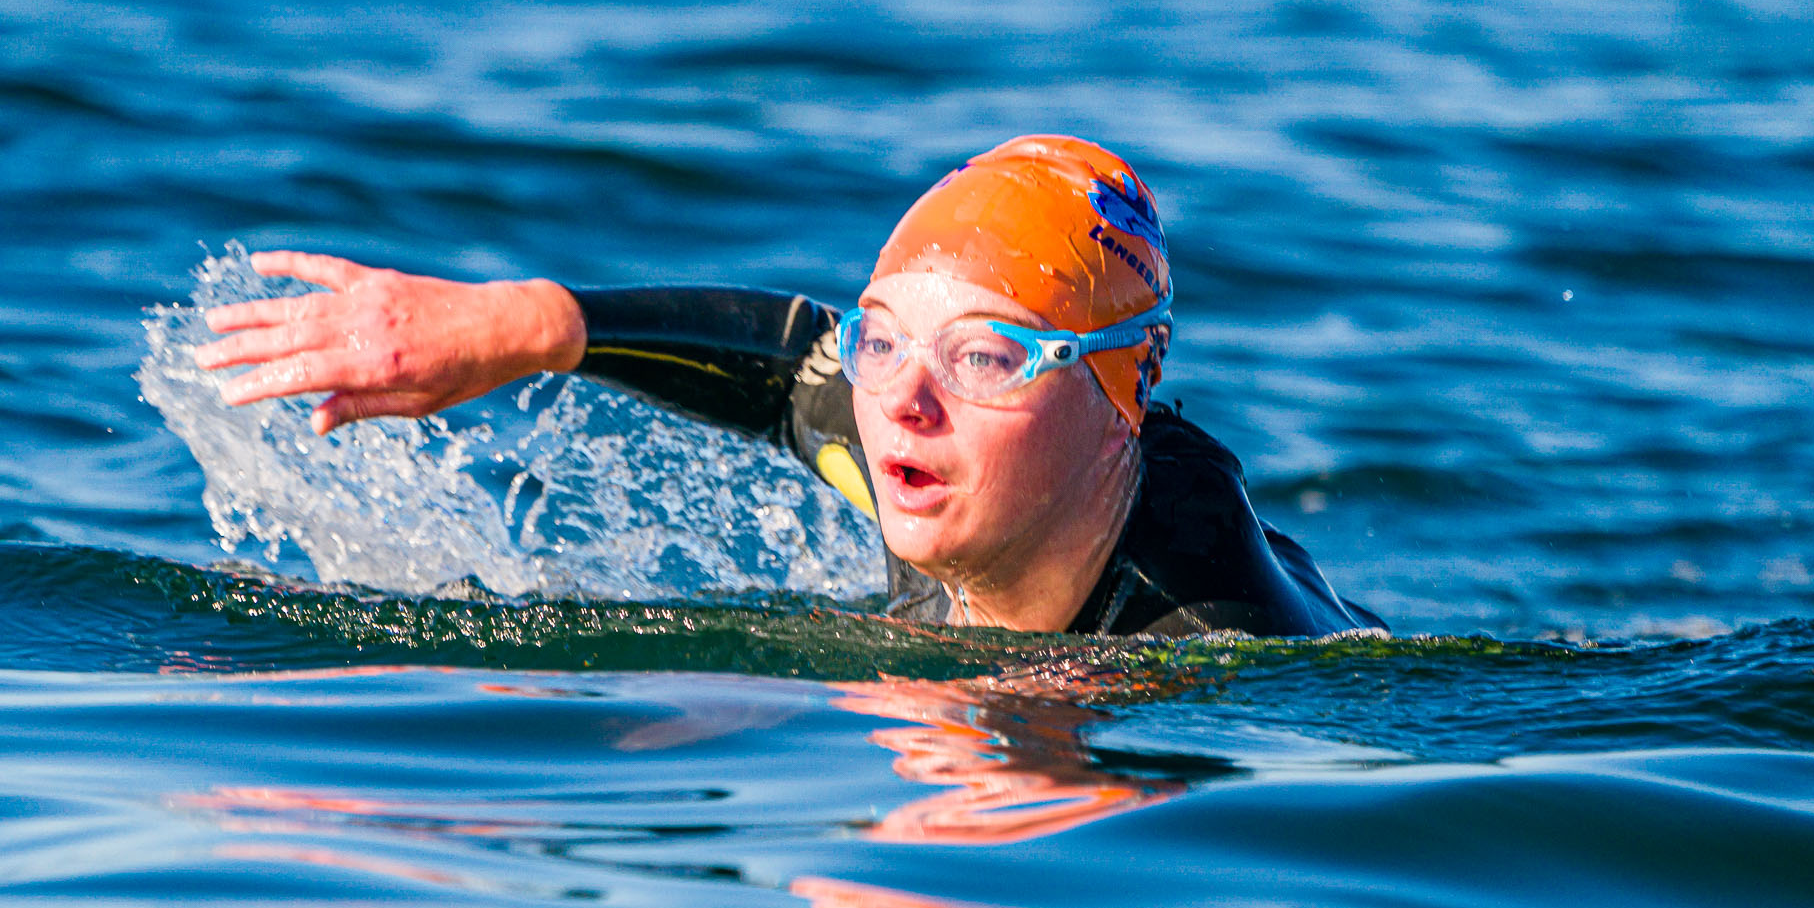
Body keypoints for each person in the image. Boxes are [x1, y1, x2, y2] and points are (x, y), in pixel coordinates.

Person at [194, 135, 1383, 637]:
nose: (905, 402)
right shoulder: (933, 451)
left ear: (1123, 393)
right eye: (885, 341)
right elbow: (781, 368)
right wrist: (520, 327)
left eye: (984, 355)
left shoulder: (1209, 638)